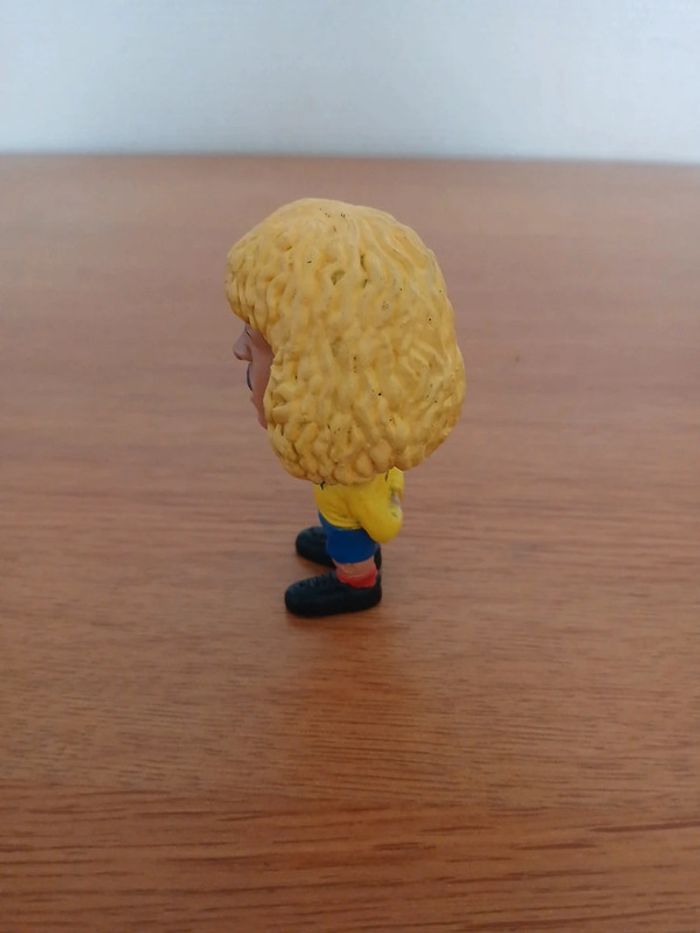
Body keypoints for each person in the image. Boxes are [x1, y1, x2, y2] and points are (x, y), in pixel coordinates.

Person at [226, 198, 465, 617]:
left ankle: (357, 579)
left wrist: (378, 519)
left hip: (353, 507)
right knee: (339, 520)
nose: (238, 350)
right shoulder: (342, 444)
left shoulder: (356, 474)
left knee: (349, 534)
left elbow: (385, 523)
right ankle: (344, 539)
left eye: (254, 340)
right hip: (340, 488)